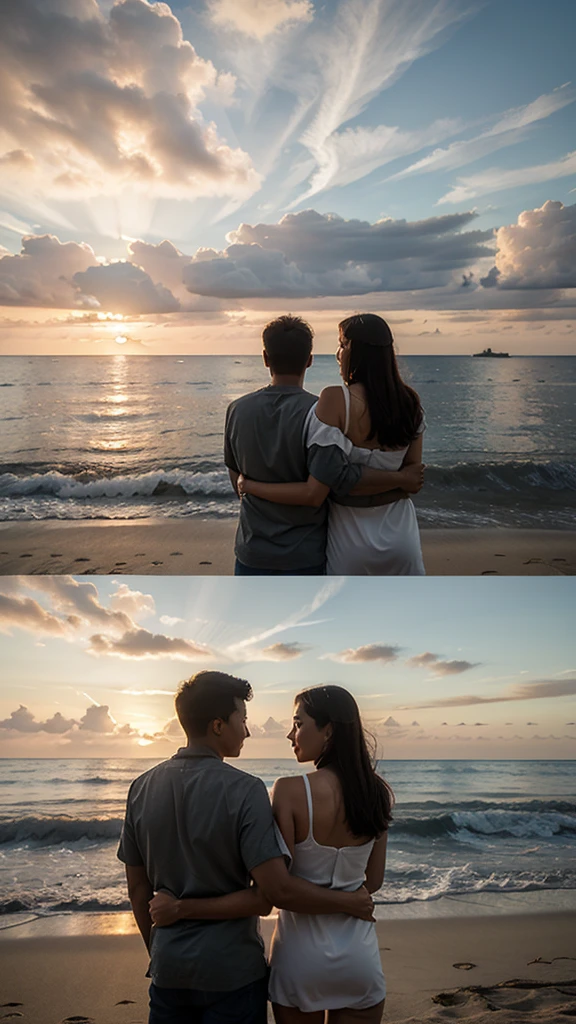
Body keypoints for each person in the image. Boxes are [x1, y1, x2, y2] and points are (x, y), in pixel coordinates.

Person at [118, 670, 375, 1024]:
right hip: (234, 972)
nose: (248, 730)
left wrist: (162, 950)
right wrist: (349, 900)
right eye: (243, 719)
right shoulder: (246, 790)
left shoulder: (140, 788)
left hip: (170, 971)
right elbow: (267, 895)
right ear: (219, 725)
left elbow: (137, 890)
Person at [224, 314, 424, 576]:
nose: (338, 353)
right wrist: (399, 479)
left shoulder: (238, 410)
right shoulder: (406, 403)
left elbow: (236, 479)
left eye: (342, 345)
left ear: (265, 358)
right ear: (309, 360)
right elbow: (412, 476)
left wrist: (249, 486)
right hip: (319, 550)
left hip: (256, 549)